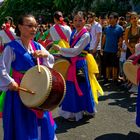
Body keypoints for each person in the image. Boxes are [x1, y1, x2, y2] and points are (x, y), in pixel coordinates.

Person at [0, 14, 57, 140]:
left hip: (38, 90)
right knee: (23, 122)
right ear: (20, 27)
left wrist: (45, 55)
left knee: (41, 119)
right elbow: (1, 67)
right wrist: (9, 82)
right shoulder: (11, 47)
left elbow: (50, 62)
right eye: (30, 26)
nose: (34, 29)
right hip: (19, 90)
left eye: (35, 26)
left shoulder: (37, 46)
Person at [52, 11, 103, 121]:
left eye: (80, 20)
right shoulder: (74, 32)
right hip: (72, 62)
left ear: (85, 20)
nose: (78, 22)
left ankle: (80, 111)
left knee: (81, 86)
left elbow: (76, 51)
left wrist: (60, 49)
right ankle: (74, 111)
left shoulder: (85, 35)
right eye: (75, 20)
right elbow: (72, 51)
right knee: (72, 86)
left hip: (79, 63)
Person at [101, 12, 124, 84]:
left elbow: (121, 40)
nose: (109, 19)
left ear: (116, 19)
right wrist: (102, 48)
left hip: (115, 50)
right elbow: (104, 38)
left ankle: (115, 79)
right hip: (106, 49)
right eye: (109, 18)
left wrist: (119, 50)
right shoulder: (106, 28)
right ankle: (107, 78)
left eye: (111, 18)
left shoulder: (120, 28)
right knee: (107, 64)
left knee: (115, 65)